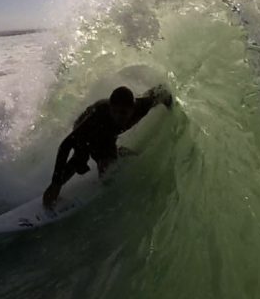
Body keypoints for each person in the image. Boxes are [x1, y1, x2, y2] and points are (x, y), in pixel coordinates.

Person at [42, 85, 173, 208]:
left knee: (108, 167)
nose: (118, 116)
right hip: (88, 130)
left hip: (109, 136)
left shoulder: (141, 107)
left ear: (132, 108)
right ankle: (51, 195)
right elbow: (65, 145)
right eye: (115, 111)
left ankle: (117, 152)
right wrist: (56, 182)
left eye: (123, 112)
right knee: (82, 160)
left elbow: (159, 92)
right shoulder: (98, 117)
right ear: (110, 108)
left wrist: (172, 107)